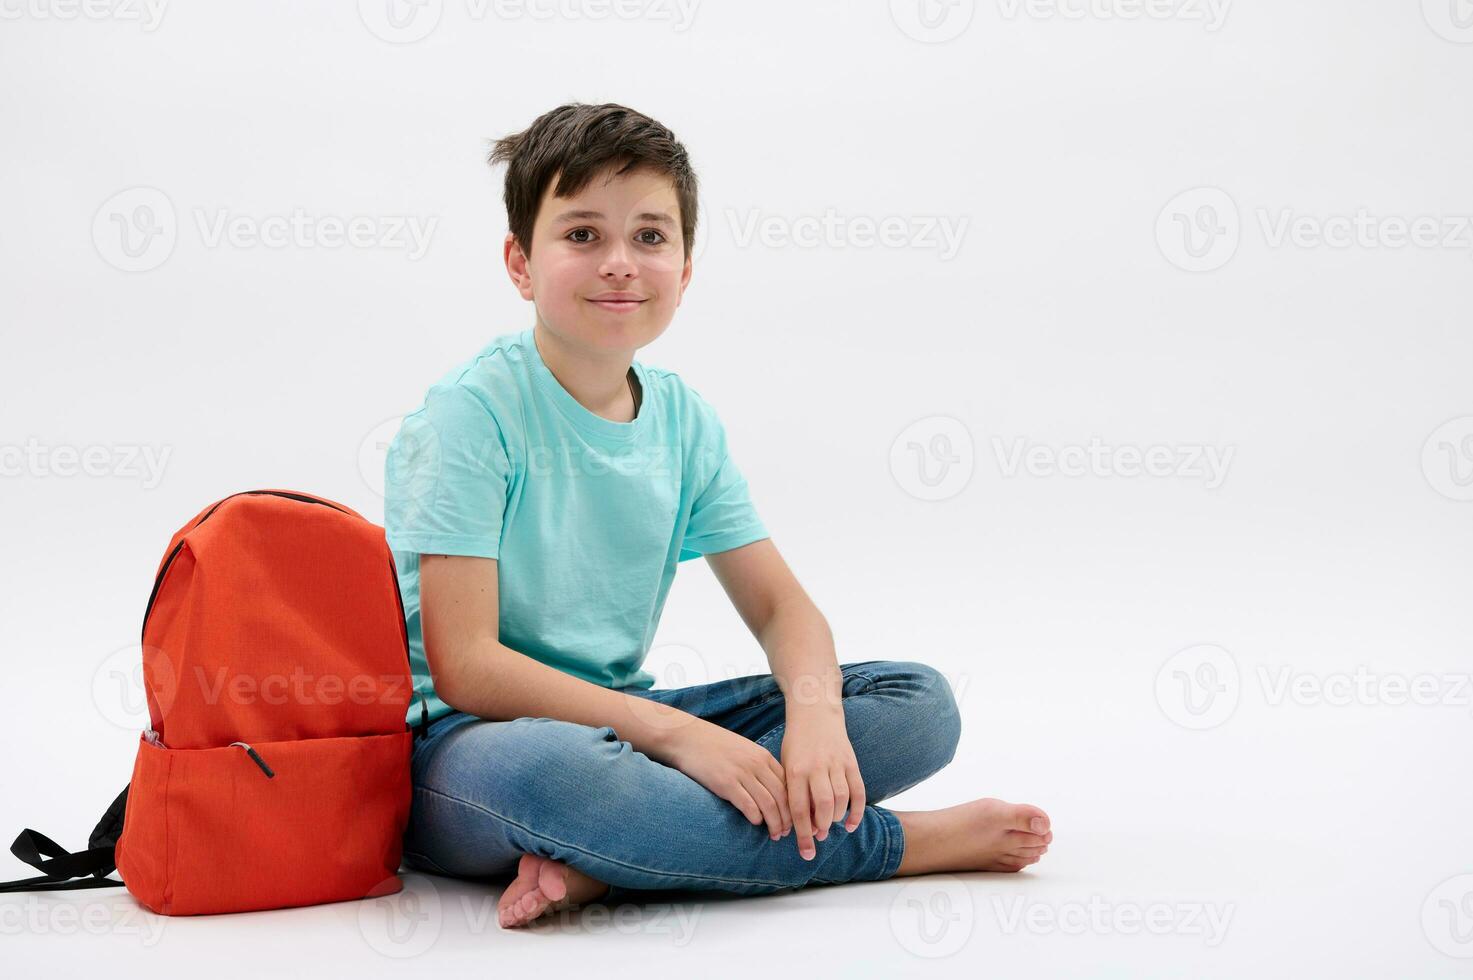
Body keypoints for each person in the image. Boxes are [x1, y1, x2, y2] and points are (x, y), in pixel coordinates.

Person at [383, 102, 1052, 930]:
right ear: (521, 263)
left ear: (687, 267)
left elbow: (781, 608)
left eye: (651, 237)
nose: (620, 263)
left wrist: (811, 720)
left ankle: (617, 859)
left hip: (626, 728)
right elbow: (468, 668)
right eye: (582, 235)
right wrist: (675, 738)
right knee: (564, 780)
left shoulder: (682, 421)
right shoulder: (466, 418)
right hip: (468, 752)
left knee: (917, 703)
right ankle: (895, 844)